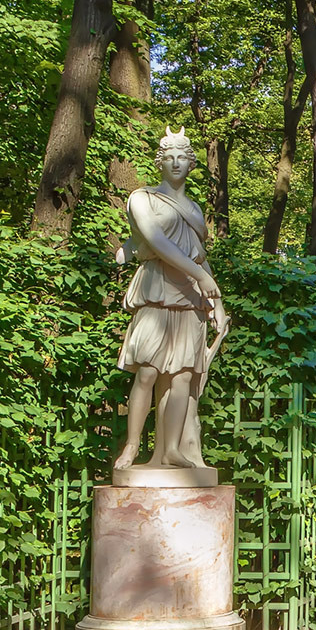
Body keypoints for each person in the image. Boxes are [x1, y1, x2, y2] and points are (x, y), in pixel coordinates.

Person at [112, 127, 230, 473]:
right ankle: (133, 445)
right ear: (160, 163)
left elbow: (198, 255)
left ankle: (172, 450)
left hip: (191, 298)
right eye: (170, 158)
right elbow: (158, 243)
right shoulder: (142, 198)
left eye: (183, 158)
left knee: (182, 377)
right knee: (147, 372)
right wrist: (201, 277)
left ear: (191, 164)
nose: (177, 163)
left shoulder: (193, 208)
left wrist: (217, 302)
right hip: (158, 291)